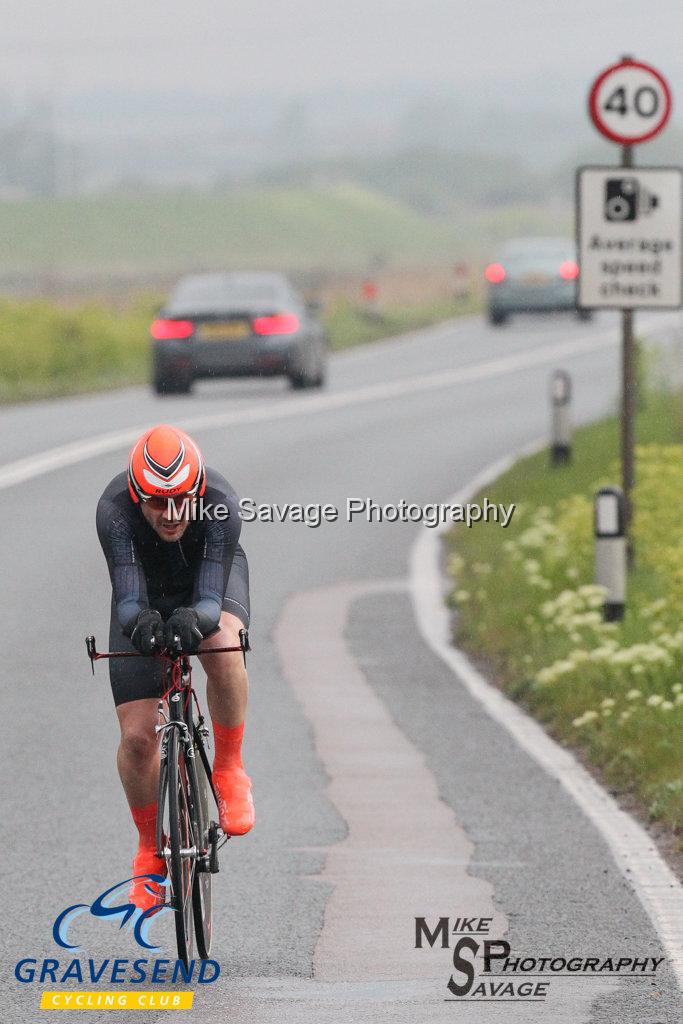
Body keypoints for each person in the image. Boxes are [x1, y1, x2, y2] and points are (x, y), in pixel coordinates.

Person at [96, 424, 254, 911]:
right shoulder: (113, 510)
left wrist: (195, 621)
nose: (170, 515)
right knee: (138, 738)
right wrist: (140, 623)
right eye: (157, 504)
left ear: (197, 491)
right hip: (144, 591)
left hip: (208, 582)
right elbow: (126, 597)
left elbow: (208, 600)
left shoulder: (220, 503)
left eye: (181, 501)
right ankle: (148, 849)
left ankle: (229, 769)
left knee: (221, 643)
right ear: (138, 496)